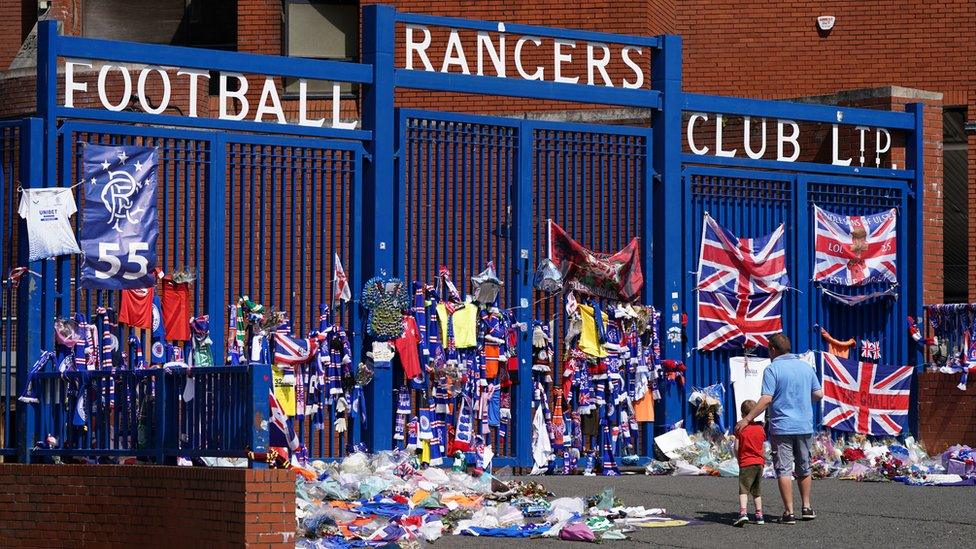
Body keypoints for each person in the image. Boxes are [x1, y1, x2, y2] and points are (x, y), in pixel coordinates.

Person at [735, 333, 823, 525]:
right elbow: (818, 393)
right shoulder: (805, 366)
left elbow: (766, 399)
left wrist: (748, 418)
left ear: (773, 349)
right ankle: (806, 507)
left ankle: (789, 512)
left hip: (782, 426)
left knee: (784, 469)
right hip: (804, 425)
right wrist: (802, 401)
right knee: (804, 466)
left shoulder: (772, 369)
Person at [733, 399, 765, 527]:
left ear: (742, 415)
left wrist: (738, 458)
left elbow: (736, 447)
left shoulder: (740, 428)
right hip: (759, 462)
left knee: (744, 490)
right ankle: (759, 515)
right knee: (757, 491)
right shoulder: (760, 429)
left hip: (746, 462)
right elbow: (762, 447)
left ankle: (743, 513)